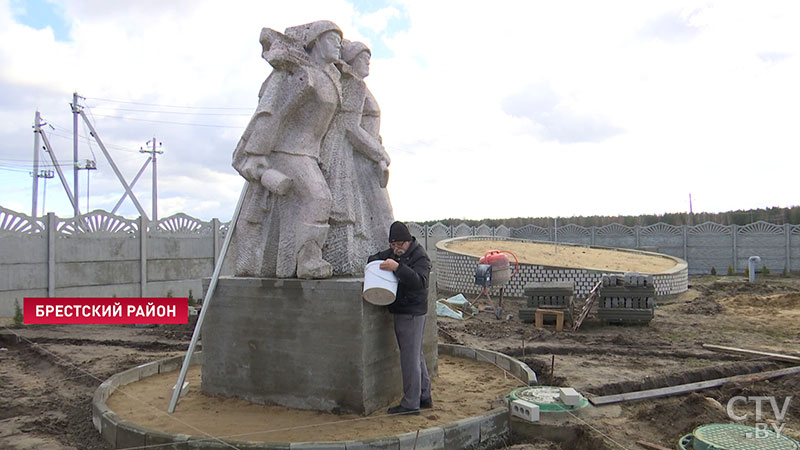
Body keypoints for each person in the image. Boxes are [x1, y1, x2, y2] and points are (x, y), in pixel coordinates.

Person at [231, 21, 343, 279]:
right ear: (314, 42)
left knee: (315, 202)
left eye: (339, 40)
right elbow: (275, 114)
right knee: (319, 198)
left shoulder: (332, 77)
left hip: (311, 153)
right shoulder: (304, 76)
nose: (338, 44)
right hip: (288, 151)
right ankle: (307, 260)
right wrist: (258, 156)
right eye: (331, 38)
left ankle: (293, 260)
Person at [367, 221, 432, 415]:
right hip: (403, 310)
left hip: (411, 313)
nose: (396, 249)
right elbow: (373, 258)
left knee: (409, 359)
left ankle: (411, 404)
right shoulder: (393, 253)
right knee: (416, 356)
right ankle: (424, 396)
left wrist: (397, 267)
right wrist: (380, 264)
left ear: (407, 241)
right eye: (393, 245)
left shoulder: (421, 256)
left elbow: (420, 282)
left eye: (399, 245)